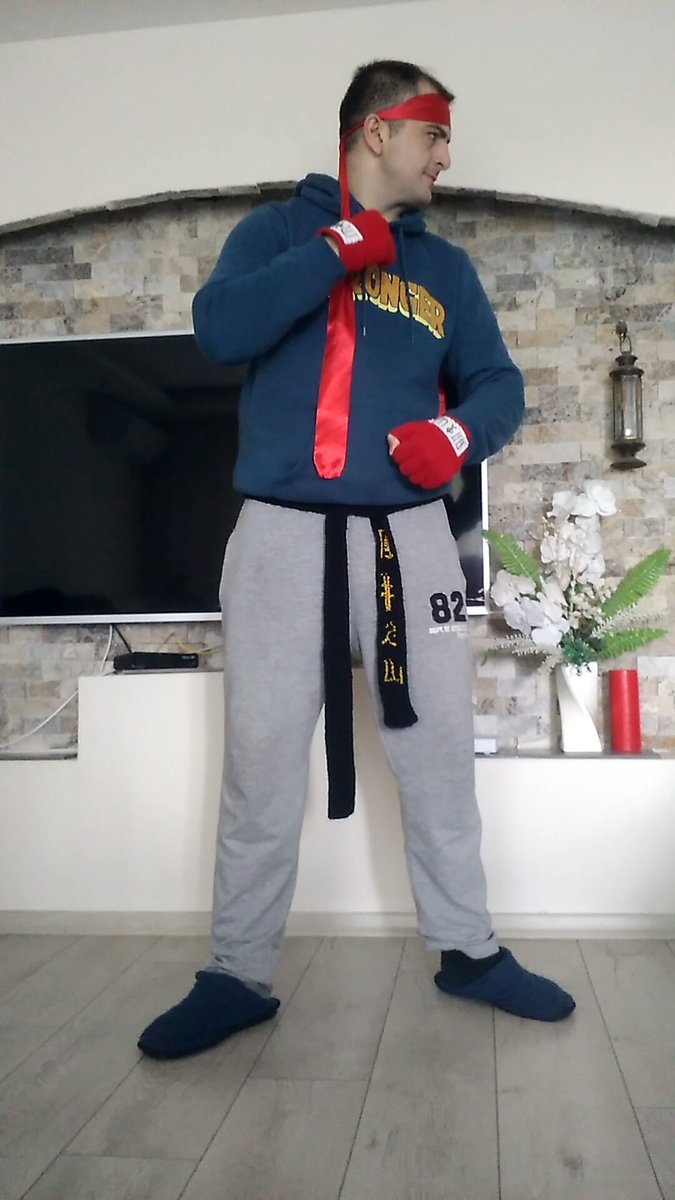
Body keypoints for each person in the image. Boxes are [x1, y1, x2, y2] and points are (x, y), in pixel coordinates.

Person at [138, 59, 575, 1060]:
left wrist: (456, 437)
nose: (447, 154)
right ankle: (236, 973)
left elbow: (499, 387)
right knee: (259, 764)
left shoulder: (446, 271)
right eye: (434, 133)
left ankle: (468, 952)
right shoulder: (274, 233)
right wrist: (336, 251)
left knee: (438, 753)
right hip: (279, 536)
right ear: (376, 130)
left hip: (410, 540)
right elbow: (218, 330)